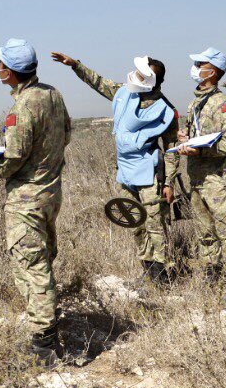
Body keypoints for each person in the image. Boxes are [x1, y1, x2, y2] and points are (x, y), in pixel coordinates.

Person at [0, 38, 72, 366]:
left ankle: (45, 345)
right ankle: (44, 328)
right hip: (50, 192)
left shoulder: (23, 106)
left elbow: (13, 158)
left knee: (32, 266)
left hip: (26, 198)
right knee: (41, 260)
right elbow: (66, 134)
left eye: (0, 65)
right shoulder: (52, 95)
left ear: (11, 71)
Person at [51, 52, 179, 286]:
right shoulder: (125, 92)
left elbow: (172, 148)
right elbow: (99, 82)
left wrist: (169, 182)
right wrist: (76, 65)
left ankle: (163, 276)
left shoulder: (165, 110)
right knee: (135, 222)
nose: (135, 75)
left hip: (150, 173)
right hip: (127, 171)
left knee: (155, 223)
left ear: (151, 80)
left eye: (142, 73)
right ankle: (148, 269)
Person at [177, 47, 226, 281]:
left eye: (201, 65)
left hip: (217, 179)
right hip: (196, 178)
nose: (196, 69)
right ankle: (212, 273)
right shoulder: (194, 104)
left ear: (213, 72)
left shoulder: (223, 103)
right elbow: (193, 134)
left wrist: (200, 149)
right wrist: (184, 140)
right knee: (204, 231)